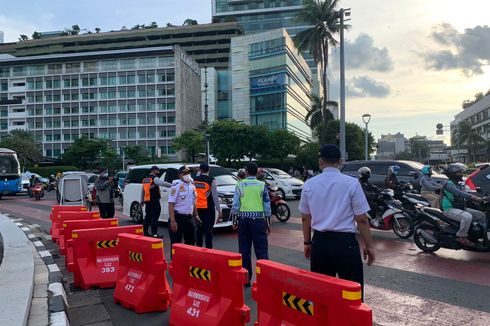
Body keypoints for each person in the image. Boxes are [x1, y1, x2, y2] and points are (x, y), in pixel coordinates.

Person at [299, 144, 375, 299]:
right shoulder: (352, 183)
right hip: (345, 244)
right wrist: (369, 245)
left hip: (319, 243)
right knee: (352, 293)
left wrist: (307, 243)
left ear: (320, 162)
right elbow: (362, 219)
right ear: (340, 161)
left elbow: (305, 218)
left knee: (322, 293)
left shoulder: (309, 184)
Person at [231, 162, 271, 287]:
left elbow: (236, 205)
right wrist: (268, 223)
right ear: (257, 172)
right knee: (262, 251)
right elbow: (266, 205)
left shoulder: (240, 184)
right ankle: (264, 280)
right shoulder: (262, 185)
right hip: (259, 220)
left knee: (244, 250)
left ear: (246, 172)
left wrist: (234, 221)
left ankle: (246, 279)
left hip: (244, 220)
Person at [441, 163, 485, 246]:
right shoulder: (449, 184)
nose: (461, 174)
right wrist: (474, 198)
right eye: (459, 173)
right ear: (453, 174)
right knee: (467, 217)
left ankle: (480, 234)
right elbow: (459, 193)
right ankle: (462, 236)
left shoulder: (457, 183)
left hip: (460, 208)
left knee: (481, 215)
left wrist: (481, 197)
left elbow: (465, 193)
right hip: (449, 209)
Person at [168, 166, 199, 247]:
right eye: (185, 173)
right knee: (176, 244)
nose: (187, 175)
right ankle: (175, 260)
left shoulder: (192, 186)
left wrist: (196, 215)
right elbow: (171, 203)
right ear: (179, 175)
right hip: (178, 218)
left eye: (188, 173)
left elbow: (193, 201)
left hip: (189, 218)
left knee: (191, 243)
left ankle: (188, 260)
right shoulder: (176, 185)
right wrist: (172, 221)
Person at [194, 163, 222, 249]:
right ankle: (209, 249)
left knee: (198, 230)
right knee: (208, 230)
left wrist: (199, 172)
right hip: (208, 208)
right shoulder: (211, 180)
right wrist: (219, 210)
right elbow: (215, 196)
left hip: (197, 208)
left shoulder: (195, 180)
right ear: (208, 170)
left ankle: (198, 248)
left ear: (200, 170)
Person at [140, 166, 167, 238]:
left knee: (147, 217)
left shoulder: (145, 179)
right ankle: (154, 233)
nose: (158, 172)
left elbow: (143, 190)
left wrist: (142, 200)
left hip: (147, 200)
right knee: (154, 217)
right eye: (157, 171)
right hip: (154, 200)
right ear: (154, 170)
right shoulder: (154, 178)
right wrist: (173, 185)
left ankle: (145, 232)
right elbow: (163, 183)